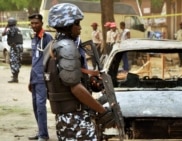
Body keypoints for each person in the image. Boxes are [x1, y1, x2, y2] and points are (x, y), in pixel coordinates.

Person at [43, 3, 115, 140]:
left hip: (65, 117)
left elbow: (60, 80)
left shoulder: (51, 46)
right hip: (75, 119)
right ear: (67, 25)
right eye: (77, 23)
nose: (80, 27)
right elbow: (75, 88)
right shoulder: (67, 47)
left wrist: (89, 81)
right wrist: (102, 111)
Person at [27, 13, 53, 141]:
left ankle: (43, 135)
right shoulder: (34, 38)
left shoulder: (47, 38)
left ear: (41, 23)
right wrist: (30, 80)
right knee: (35, 106)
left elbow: (52, 59)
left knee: (41, 106)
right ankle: (41, 132)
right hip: (34, 78)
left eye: (36, 23)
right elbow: (34, 60)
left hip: (43, 78)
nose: (34, 25)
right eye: (32, 23)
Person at [2, 17, 23, 83]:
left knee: (13, 61)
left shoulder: (11, 29)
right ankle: (15, 76)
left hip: (14, 47)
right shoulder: (18, 29)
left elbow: (3, 34)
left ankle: (15, 78)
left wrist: (6, 27)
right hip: (19, 47)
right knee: (18, 61)